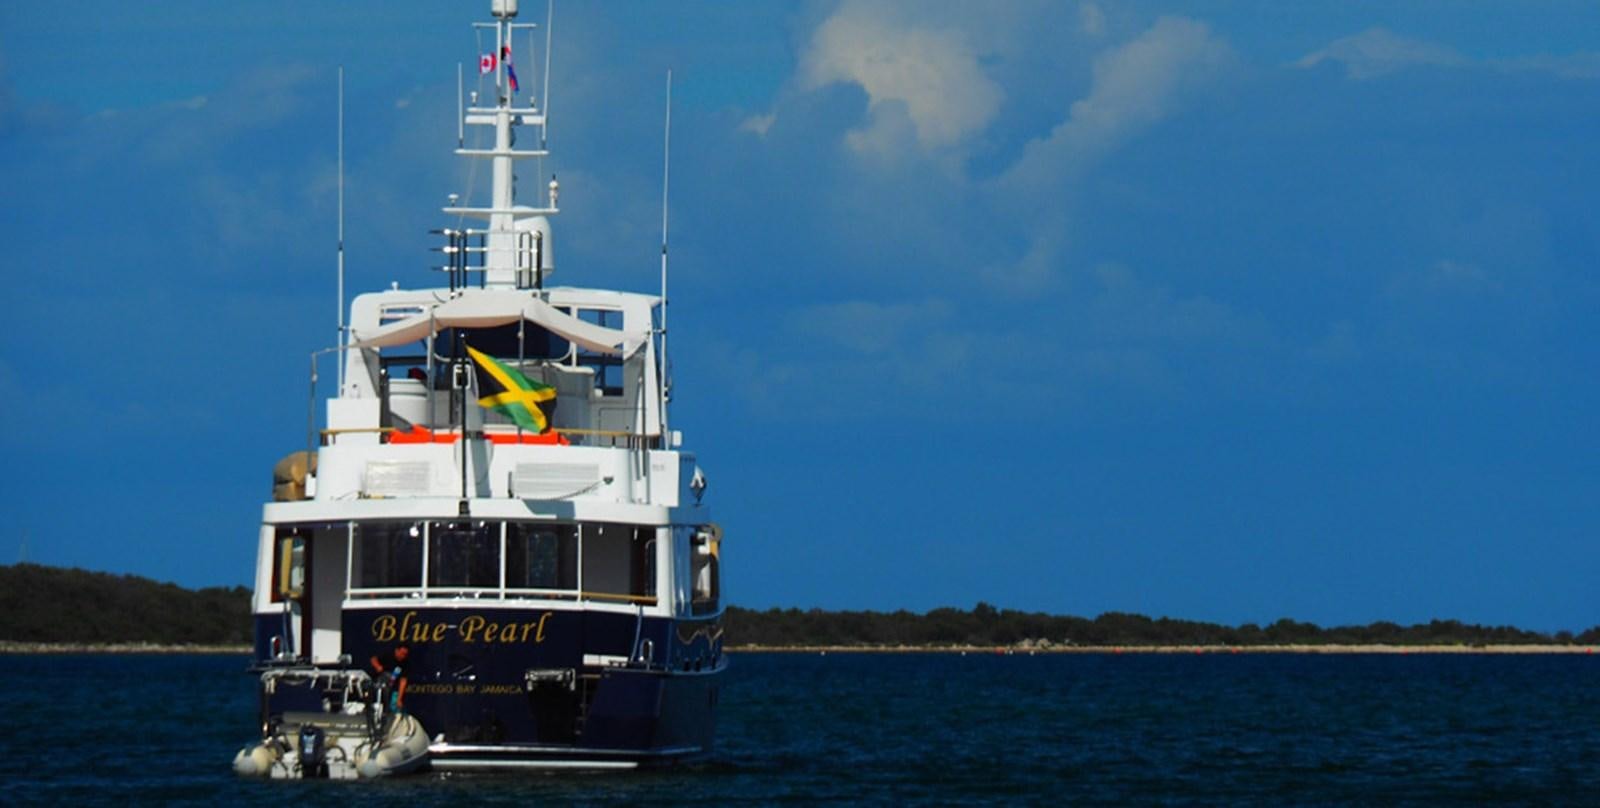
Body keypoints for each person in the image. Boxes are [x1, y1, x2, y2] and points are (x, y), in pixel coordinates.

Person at [369, 645, 411, 712]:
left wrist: (399, 699)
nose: (403, 656)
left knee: (393, 706)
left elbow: (403, 681)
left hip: (392, 688)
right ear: (397, 651)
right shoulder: (387, 654)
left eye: (405, 655)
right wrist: (378, 666)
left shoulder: (405, 663)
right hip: (378, 684)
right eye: (401, 653)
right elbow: (373, 659)